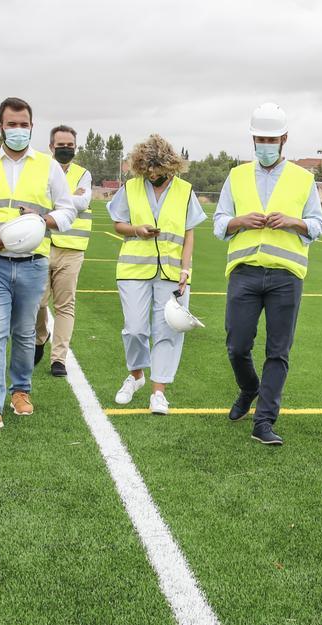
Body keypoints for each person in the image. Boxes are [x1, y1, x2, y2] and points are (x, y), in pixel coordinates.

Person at [0, 97, 76, 430]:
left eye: (24, 125)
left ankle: (21, 391)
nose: (18, 130)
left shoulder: (48, 166)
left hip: (33, 263)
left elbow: (68, 210)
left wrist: (44, 220)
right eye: (12, 124)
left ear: (32, 127)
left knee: (24, 334)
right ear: (0, 127)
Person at [212, 102, 322, 446]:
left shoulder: (304, 179)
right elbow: (219, 224)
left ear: (284, 138)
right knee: (237, 345)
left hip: (286, 277)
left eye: (271, 138)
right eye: (259, 138)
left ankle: (264, 421)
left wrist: (294, 222)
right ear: (253, 139)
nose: (265, 144)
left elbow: (318, 225)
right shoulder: (236, 175)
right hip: (244, 273)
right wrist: (239, 221)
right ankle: (249, 388)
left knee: (278, 351)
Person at [109, 134, 204, 415]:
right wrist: (135, 229)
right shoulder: (130, 187)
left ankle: (158, 393)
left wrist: (186, 269)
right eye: (147, 169)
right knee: (135, 328)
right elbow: (118, 224)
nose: (152, 174)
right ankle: (136, 376)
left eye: (157, 169)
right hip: (133, 268)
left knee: (168, 330)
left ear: (169, 166)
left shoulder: (186, 191)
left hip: (172, 272)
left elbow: (189, 235)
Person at [33, 124, 92, 378]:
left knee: (65, 305)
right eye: (61, 145)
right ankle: (40, 336)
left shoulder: (83, 174)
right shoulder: (39, 169)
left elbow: (83, 201)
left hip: (72, 249)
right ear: (51, 146)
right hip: (42, 244)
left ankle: (59, 358)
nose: (66, 149)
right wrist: (69, 197)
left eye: (70, 146)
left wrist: (55, 200)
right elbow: (41, 200)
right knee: (37, 302)